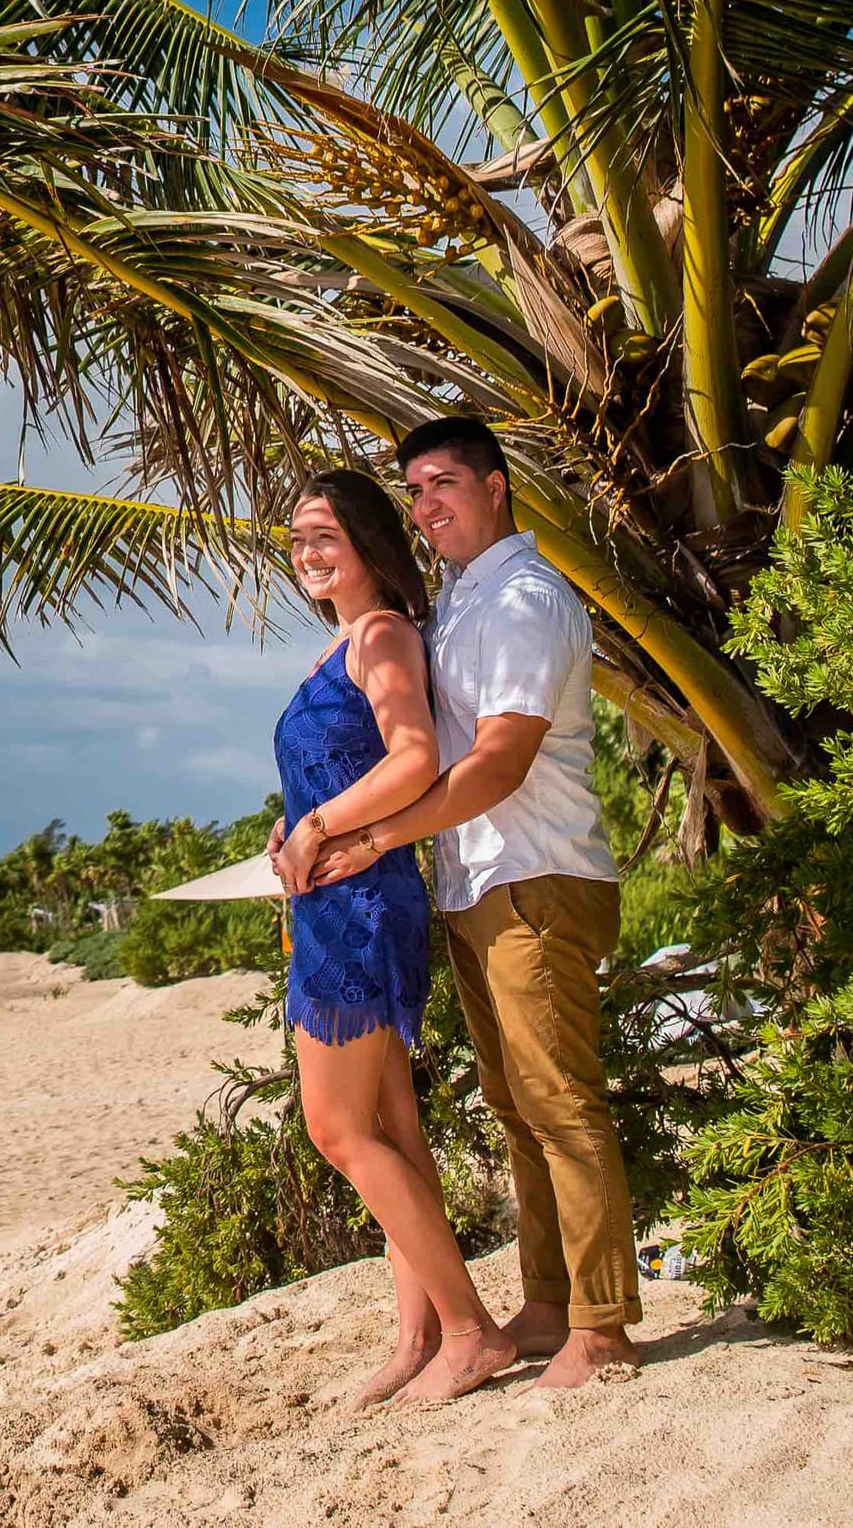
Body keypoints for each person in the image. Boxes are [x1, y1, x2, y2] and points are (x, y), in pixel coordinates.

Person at [298, 416, 640, 1391]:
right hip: (478, 880)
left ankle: (604, 1323)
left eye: (444, 482)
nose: (426, 505)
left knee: (562, 1104)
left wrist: (370, 837)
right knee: (515, 1104)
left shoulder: (526, 597)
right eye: (415, 491)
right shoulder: (461, 601)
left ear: (498, 485)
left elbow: (498, 757)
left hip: (536, 871)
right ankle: (546, 1300)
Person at [263, 465, 525, 1406]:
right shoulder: (339, 647)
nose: (307, 554)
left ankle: (469, 1329)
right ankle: (419, 1335)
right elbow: (341, 773)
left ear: (371, 543)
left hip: (364, 901)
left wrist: (324, 826)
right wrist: (293, 825)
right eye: (297, 540)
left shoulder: (380, 636)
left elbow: (415, 760)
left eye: (324, 536)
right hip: (336, 899)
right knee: (392, 1127)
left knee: (337, 1130)